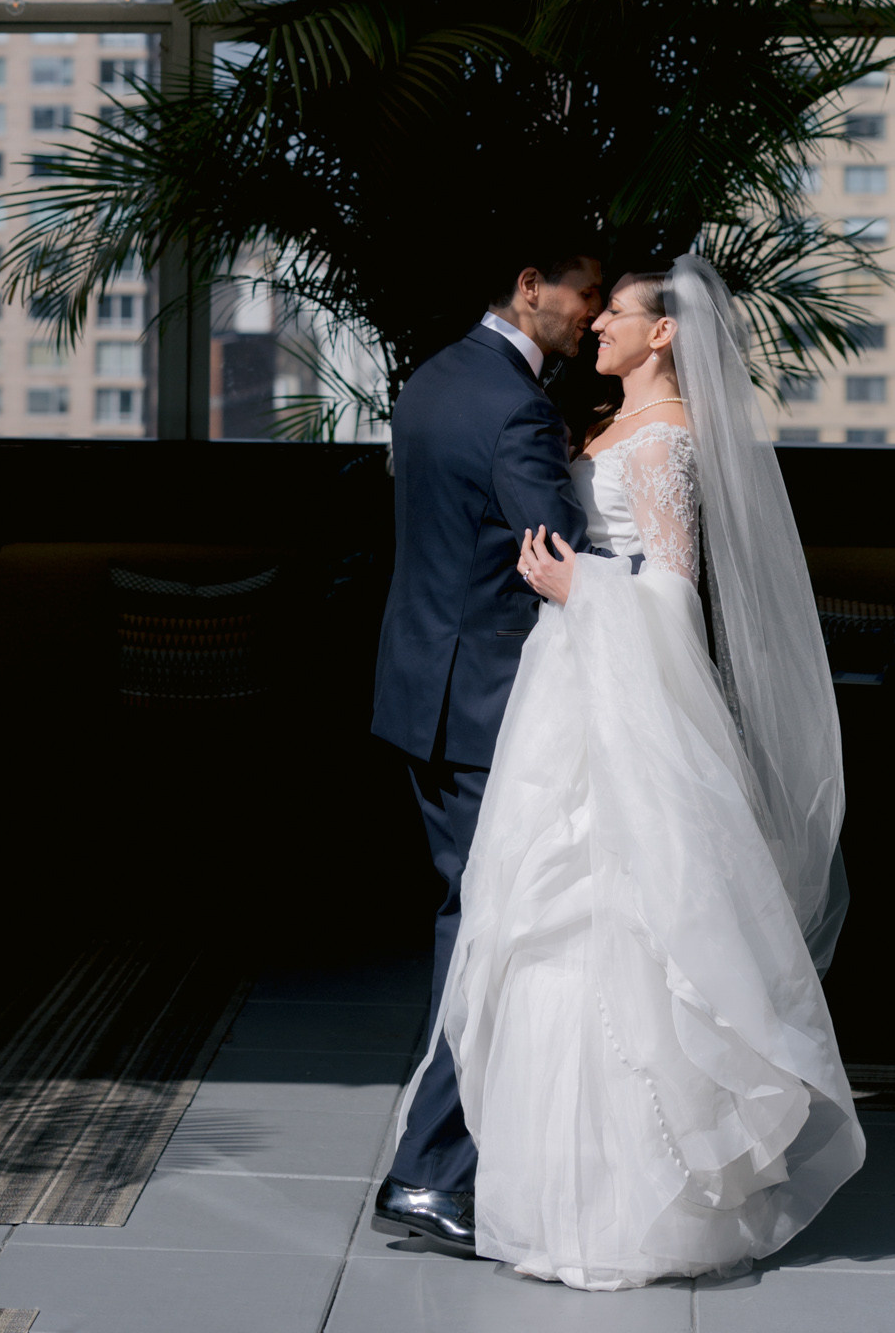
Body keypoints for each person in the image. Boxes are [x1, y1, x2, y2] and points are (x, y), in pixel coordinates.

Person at [396, 260, 864, 1289]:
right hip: (561, 693)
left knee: (623, 932)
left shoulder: (668, 438)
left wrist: (580, 584)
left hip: (615, 687)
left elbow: (669, 595)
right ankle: (536, 1182)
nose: (596, 323)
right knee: (540, 924)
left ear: (661, 336)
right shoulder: (604, 426)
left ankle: (625, 1199)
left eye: (617, 314)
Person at [370, 243, 604, 1254]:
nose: (591, 318)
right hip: (485, 705)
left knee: (469, 924)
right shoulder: (516, 408)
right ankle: (428, 1173)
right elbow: (552, 552)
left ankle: (455, 1159)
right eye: (583, 296)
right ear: (527, 286)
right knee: (489, 936)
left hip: (421, 688)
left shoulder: (431, 379)